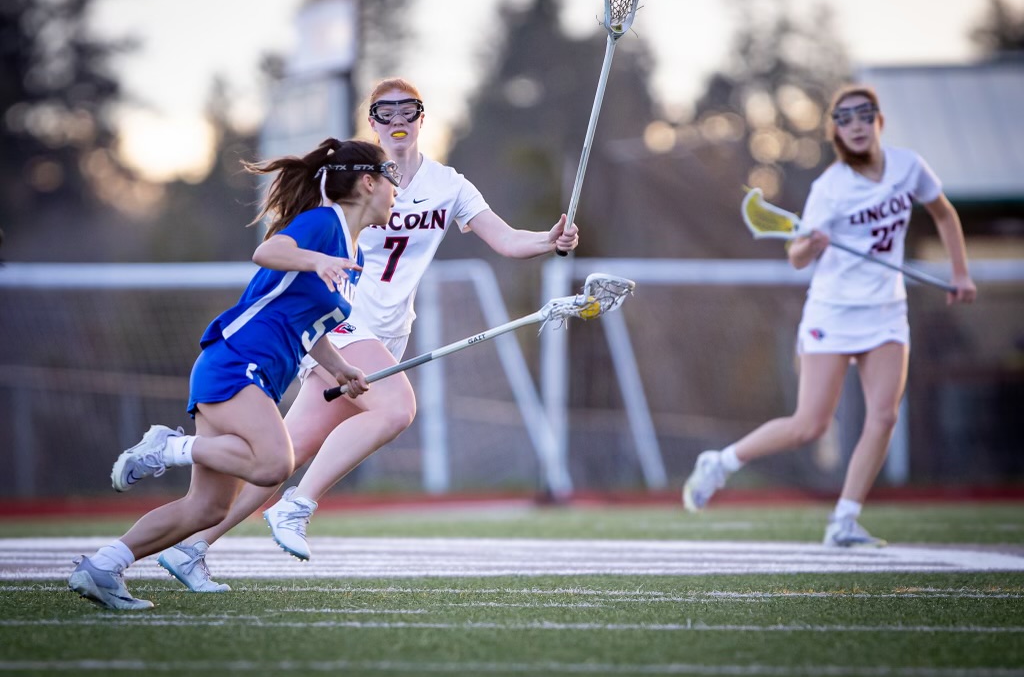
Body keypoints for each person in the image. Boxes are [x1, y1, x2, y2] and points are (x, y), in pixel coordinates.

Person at [157, 77, 579, 591]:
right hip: (343, 324)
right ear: (372, 122)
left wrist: (549, 240)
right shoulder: (358, 182)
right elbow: (292, 244)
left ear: (424, 117)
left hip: (388, 337)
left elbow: (509, 240)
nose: (397, 118)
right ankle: (298, 507)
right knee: (398, 408)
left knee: (283, 456)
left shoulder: (450, 185)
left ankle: (192, 547)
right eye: (385, 111)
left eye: (409, 109)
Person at [68, 138, 400, 609]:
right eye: (392, 180)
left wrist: (342, 368)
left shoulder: (354, 255)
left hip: (249, 372)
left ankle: (103, 567)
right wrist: (316, 259)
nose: (396, 191)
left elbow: (312, 328)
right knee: (275, 465)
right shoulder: (325, 224)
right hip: (236, 361)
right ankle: (171, 446)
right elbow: (269, 252)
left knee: (207, 508)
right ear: (368, 181)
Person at [682, 84, 976, 548]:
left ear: (879, 120)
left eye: (864, 114)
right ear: (835, 131)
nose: (856, 124)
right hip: (833, 313)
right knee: (810, 425)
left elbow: (943, 214)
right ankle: (721, 463)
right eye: (845, 117)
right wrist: (810, 245)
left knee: (883, 416)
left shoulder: (909, 168)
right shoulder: (829, 189)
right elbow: (796, 258)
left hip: (885, 312)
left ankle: (844, 519)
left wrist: (960, 272)